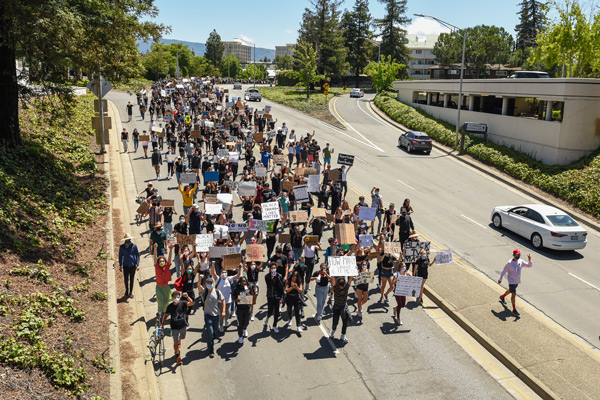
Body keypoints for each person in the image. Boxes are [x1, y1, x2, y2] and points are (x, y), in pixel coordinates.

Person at [161, 291, 194, 365]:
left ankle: (180, 339)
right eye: (175, 297)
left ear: (180, 297)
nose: (176, 298)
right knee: (176, 342)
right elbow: (165, 315)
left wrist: (187, 297)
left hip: (182, 326)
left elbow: (191, 303)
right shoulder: (170, 306)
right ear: (172, 298)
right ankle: (178, 355)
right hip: (174, 327)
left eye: (178, 297)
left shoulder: (183, 303)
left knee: (183, 337)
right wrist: (162, 324)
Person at [498, 249, 532, 316]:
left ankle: (502, 296)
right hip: (511, 281)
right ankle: (514, 309)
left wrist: (530, 260)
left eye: (519, 255)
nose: (518, 256)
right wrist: (500, 278)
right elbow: (503, 271)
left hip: (517, 281)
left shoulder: (521, 261)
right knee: (513, 294)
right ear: (513, 255)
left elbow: (529, 265)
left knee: (510, 290)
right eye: (517, 255)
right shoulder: (509, 263)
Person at [202, 276, 226, 358]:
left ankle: (215, 333)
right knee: (210, 332)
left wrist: (223, 311)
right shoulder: (204, 292)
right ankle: (211, 349)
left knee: (216, 329)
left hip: (216, 315)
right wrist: (199, 280)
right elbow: (198, 286)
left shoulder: (217, 292)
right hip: (207, 315)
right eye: (207, 283)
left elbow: (223, 301)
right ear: (205, 284)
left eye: (210, 283)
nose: (209, 284)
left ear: (213, 284)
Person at [328, 275, 354, 343]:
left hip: (343, 307)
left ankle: (343, 335)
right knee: (335, 321)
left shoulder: (346, 287)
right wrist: (332, 274)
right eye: (340, 284)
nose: (342, 286)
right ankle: (332, 332)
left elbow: (350, 278)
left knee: (345, 322)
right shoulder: (336, 288)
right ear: (338, 284)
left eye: (343, 284)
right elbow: (333, 280)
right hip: (337, 307)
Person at [154, 243, 174, 316]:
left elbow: (169, 258)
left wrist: (171, 249)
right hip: (159, 287)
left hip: (166, 287)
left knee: (166, 302)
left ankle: (165, 312)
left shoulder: (167, 266)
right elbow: (155, 257)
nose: (161, 262)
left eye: (163, 261)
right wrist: (155, 249)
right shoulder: (157, 267)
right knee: (160, 301)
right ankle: (159, 312)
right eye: (160, 261)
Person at [264, 262, 284, 333]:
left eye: (274, 268)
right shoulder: (267, 276)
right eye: (272, 268)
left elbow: (281, 286)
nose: (273, 269)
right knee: (270, 310)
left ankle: (275, 325)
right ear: (270, 269)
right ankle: (267, 317)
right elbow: (269, 285)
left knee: (276, 312)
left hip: (277, 296)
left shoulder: (279, 276)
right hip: (270, 296)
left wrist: (281, 296)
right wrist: (271, 279)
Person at [118, 233, 139, 299]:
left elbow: (137, 255)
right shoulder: (122, 247)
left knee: (132, 279)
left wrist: (137, 264)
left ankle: (131, 292)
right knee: (126, 279)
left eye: (128, 239)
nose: (128, 241)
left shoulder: (134, 246)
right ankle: (127, 290)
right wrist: (120, 265)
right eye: (126, 240)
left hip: (132, 265)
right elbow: (120, 256)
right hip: (125, 265)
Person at [232, 275, 252, 344]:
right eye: (242, 281)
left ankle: (245, 328)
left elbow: (251, 297)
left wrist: (247, 291)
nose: (244, 282)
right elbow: (233, 297)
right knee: (240, 323)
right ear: (240, 282)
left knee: (246, 322)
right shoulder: (237, 288)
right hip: (240, 309)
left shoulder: (248, 287)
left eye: (245, 281)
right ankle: (240, 336)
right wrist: (236, 300)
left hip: (247, 308)